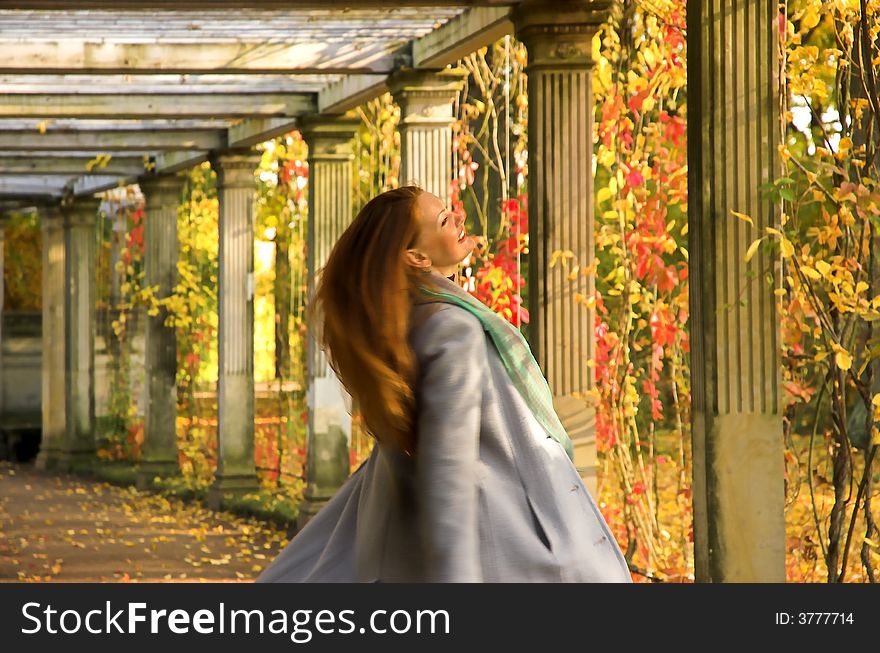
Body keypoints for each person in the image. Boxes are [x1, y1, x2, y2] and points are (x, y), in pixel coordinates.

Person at [257, 185, 632, 583]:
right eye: (443, 219)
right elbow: (448, 468)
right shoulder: (453, 330)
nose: (458, 217)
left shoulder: (400, 333)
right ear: (417, 257)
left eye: (450, 210)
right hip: (507, 554)